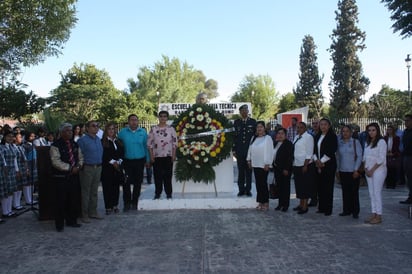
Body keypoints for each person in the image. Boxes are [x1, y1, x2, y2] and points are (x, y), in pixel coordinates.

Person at [50, 123, 83, 232]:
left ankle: (72, 220)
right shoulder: (55, 145)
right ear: (62, 132)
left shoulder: (74, 144)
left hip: (74, 176)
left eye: (71, 131)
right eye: (68, 131)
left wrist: (78, 166)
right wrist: (69, 168)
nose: (71, 132)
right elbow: (55, 161)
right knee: (61, 201)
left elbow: (80, 157)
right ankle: (59, 224)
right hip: (61, 177)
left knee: (73, 199)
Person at [118, 114, 150, 211]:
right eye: (131, 120)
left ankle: (135, 201)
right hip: (127, 161)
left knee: (138, 183)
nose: (134, 122)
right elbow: (118, 146)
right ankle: (127, 203)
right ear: (128, 121)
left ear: (138, 121)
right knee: (126, 182)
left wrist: (148, 160)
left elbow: (146, 147)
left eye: (135, 120)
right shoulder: (122, 132)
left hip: (140, 161)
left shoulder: (143, 132)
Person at [77, 121, 104, 222]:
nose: (96, 128)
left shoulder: (98, 139)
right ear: (87, 128)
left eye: (97, 126)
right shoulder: (82, 140)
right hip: (87, 168)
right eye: (93, 126)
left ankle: (93, 211)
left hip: (98, 167)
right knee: (86, 192)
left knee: (94, 191)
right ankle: (84, 214)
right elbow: (79, 155)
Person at [147, 111, 177, 199]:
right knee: (157, 176)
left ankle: (169, 194)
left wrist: (174, 155)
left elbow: (175, 143)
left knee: (168, 176)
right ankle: (158, 193)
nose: (163, 118)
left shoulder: (171, 129)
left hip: (168, 156)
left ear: (167, 118)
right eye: (161, 116)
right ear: (158, 117)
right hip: (157, 156)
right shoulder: (153, 129)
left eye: (165, 116)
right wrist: (151, 156)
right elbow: (149, 144)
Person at [336, 125, 363, 219]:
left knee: (354, 192)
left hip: (353, 171)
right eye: (343, 131)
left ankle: (355, 211)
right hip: (343, 170)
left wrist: (356, 169)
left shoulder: (356, 142)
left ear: (351, 132)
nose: (345, 133)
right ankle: (346, 210)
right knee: (345, 191)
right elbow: (338, 157)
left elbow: (360, 156)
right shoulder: (340, 143)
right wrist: (338, 169)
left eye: (347, 131)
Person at [363, 123, 387, 224]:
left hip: (378, 170)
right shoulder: (367, 142)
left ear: (377, 131)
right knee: (371, 193)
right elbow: (364, 157)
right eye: (369, 130)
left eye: (373, 130)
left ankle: (379, 215)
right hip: (368, 170)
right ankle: (374, 213)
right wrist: (366, 169)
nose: (371, 132)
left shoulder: (381, 142)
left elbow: (381, 158)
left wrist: (372, 170)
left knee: (377, 192)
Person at [247, 121, 273, 211]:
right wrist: (249, 160)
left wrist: (267, 163)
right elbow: (249, 150)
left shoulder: (268, 138)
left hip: (264, 165)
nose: (259, 129)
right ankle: (260, 202)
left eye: (261, 127)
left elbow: (270, 152)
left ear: (264, 128)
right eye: (258, 127)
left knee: (263, 184)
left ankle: (266, 202)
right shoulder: (254, 138)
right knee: (258, 184)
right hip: (255, 164)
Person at [314, 118, 338, 216]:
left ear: (329, 126)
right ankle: (321, 207)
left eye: (325, 124)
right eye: (321, 124)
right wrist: (316, 160)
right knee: (320, 187)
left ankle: (328, 208)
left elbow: (331, 150)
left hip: (328, 165)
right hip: (318, 165)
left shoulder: (332, 136)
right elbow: (314, 150)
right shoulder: (317, 136)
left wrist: (322, 161)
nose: (323, 126)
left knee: (328, 187)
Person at [233, 104, 257, 197]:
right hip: (239, 151)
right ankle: (241, 190)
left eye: (246, 110)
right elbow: (234, 137)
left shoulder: (253, 122)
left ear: (248, 112)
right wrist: (234, 150)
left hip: (249, 151)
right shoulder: (236, 122)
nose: (244, 112)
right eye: (242, 110)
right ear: (240, 112)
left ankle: (248, 190)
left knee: (249, 172)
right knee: (241, 172)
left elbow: (255, 137)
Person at [101, 122, 124, 215]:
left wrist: (119, 161)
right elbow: (104, 155)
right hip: (107, 168)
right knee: (107, 188)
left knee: (116, 187)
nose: (111, 131)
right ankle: (108, 206)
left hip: (117, 167)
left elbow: (122, 152)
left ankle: (115, 205)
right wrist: (112, 162)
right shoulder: (102, 141)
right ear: (106, 130)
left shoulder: (118, 141)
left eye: (113, 129)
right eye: (109, 129)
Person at [292, 122, 315, 214]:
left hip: (305, 165)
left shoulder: (308, 137)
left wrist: (305, 165)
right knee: (299, 186)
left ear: (305, 128)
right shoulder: (296, 137)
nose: (299, 129)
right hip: (297, 164)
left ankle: (305, 206)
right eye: (297, 127)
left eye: (301, 127)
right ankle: (301, 204)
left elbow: (309, 153)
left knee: (305, 186)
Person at [272, 128, 293, 212]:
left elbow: (290, 157)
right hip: (277, 169)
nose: (280, 135)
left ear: (285, 135)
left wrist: (286, 169)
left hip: (285, 169)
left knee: (285, 188)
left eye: (282, 133)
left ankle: (285, 205)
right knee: (279, 187)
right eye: (278, 133)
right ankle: (280, 204)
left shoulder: (288, 144)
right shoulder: (276, 143)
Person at [0, 130, 20, 218]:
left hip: (12, 171)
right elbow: (3, 160)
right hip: (4, 171)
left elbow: (15, 159)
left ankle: (10, 211)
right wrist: (5, 170)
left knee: (11, 190)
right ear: (4, 137)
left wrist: (17, 170)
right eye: (9, 136)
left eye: (12, 136)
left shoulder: (13, 147)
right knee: (6, 192)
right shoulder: (1, 147)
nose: (11, 138)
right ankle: (5, 211)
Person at [13, 132, 29, 211]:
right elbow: (15, 159)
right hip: (17, 168)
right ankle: (15, 204)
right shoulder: (13, 147)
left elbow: (24, 158)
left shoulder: (21, 147)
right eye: (19, 137)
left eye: (21, 137)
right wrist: (17, 170)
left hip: (23, 168)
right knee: (17, 187)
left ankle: (18, 203)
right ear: (14, 138)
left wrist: (26, 169)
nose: (21, 139)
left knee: (21, 186)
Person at [22, 131, 38, 205]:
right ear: (28, 137)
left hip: (34, 165)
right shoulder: (25, 146)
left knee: (32, 183)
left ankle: (31, 199)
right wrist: (27, 168)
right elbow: (25, 157)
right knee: (27, 183)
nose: (33, 138)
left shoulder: (33, 145)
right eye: (31, 136)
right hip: (28, 165)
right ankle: (27, 200)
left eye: (34, 136)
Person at [400, 114, 412, 204]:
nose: (405, 122)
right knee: (408, 178)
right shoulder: (405, 131)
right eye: (405, 121)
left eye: (407, 120)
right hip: (406, 157)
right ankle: (410, 196)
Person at [384, 125, 401, 189]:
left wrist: (393, 153)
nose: (389, 131)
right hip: (386, 155)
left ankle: (393, 184)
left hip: (393, 155)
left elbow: (397, 147)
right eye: (388, 129)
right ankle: (388, 184)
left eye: (390, 129)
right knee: (387, 170)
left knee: (393, 170)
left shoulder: (396, 138)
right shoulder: (385, 138)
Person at [308, 119, 320, 207]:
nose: (315, 125)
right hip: (312, 161)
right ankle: (313, 199)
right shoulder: (310, 134)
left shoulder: (322, 134)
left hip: (322, 161)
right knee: (312, 182)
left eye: (316, 123)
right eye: (313, 123)